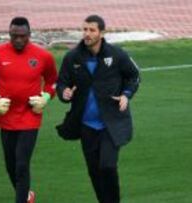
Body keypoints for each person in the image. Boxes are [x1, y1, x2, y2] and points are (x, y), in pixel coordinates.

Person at [56, 15, 140, 203]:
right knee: (94, 171)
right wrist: (64, 93)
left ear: (101, 33)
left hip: (111, 124)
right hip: (87, 126)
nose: (86, 34)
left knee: (108, 166)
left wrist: (126, 94)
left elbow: (134, 76)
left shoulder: (117, 55)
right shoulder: (72, 57)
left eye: (91, 30)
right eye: (84, 29)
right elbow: (61, 83)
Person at [0, 16, 57, 203]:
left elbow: (54, 81)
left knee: (22, 164)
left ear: (29, 34)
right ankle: (27, 195)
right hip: (6, 117)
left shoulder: (43, 56)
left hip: (30, 117)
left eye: (23, 36)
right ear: (9, 34)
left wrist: (45, 97)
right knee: (11, 166)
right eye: (14, 36)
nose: (19, 40)